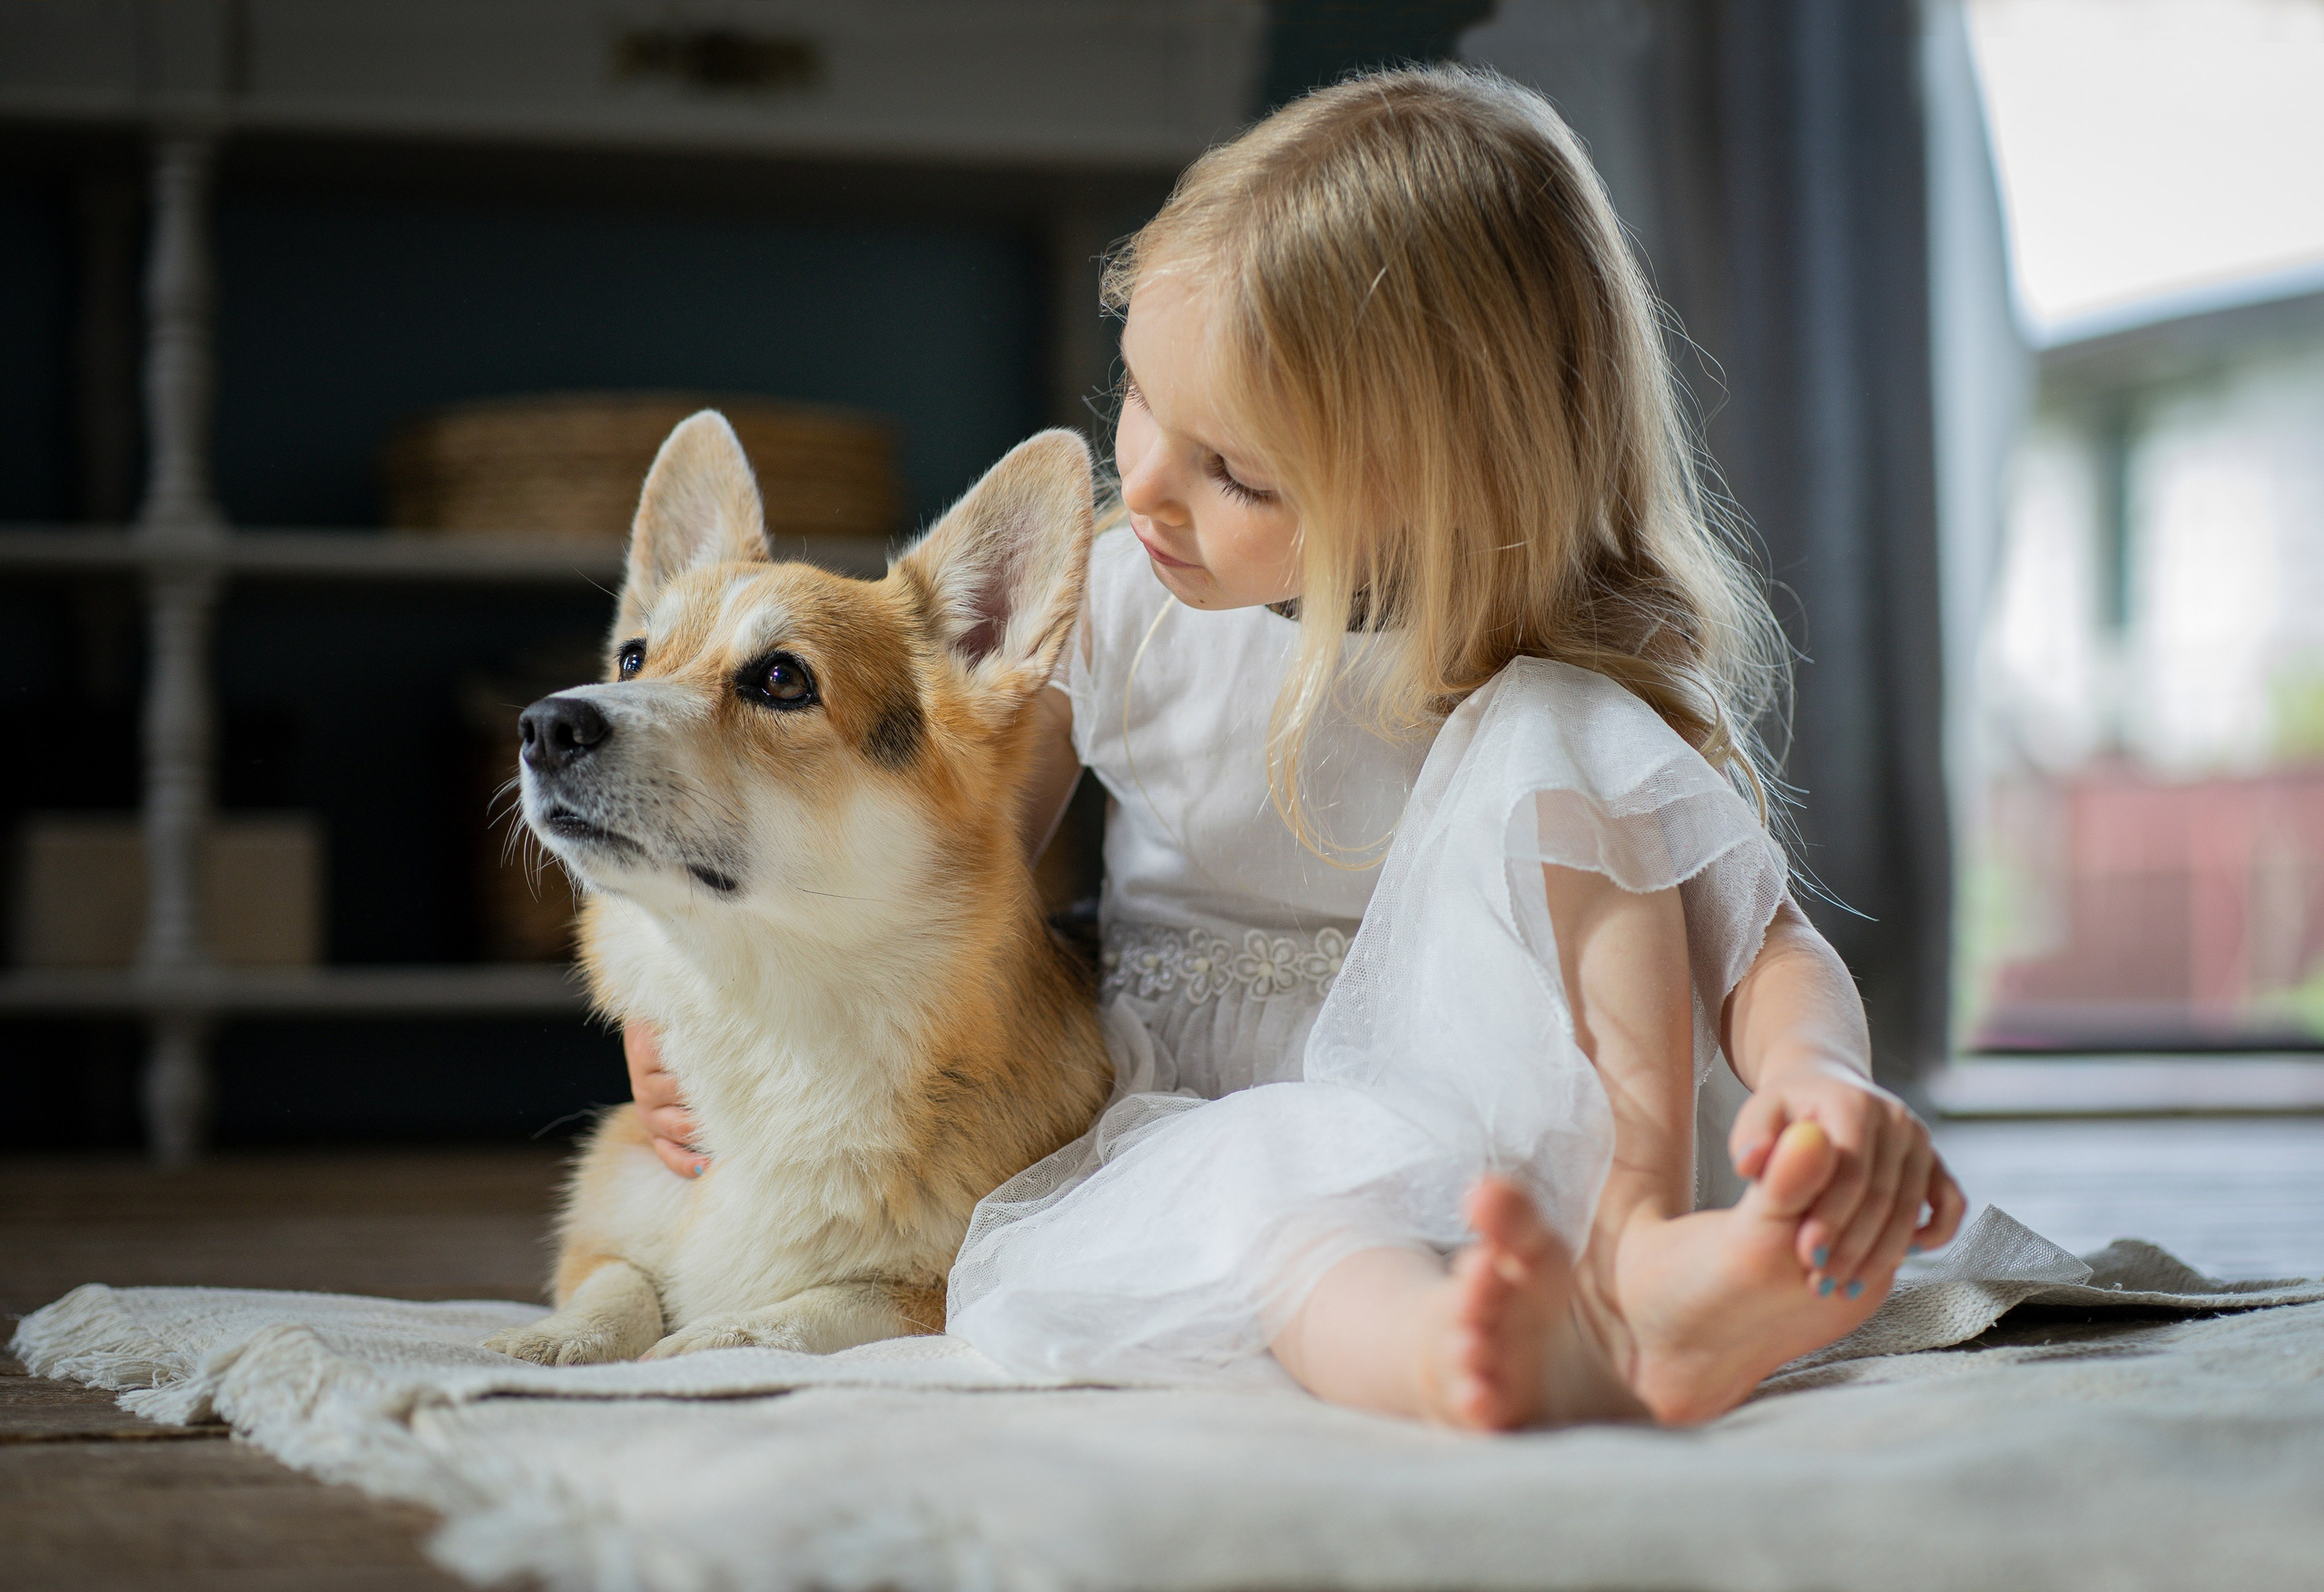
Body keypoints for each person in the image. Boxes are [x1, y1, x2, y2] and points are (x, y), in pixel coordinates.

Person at [624, 64, 1966, 1430]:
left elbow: (1762, 942)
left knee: (1568, 733)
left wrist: (1818, 1085)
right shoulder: (1119, 604)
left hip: (1511, 1114)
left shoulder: (1565, 671)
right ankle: (1467, 1349)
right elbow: (937, 878)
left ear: (1436, 496)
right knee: (1290, 1223)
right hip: (1203, 1119)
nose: (1139, 482)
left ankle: (1648, 1250)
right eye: (1139, 395)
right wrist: (688, 1004)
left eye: (1235, 473)